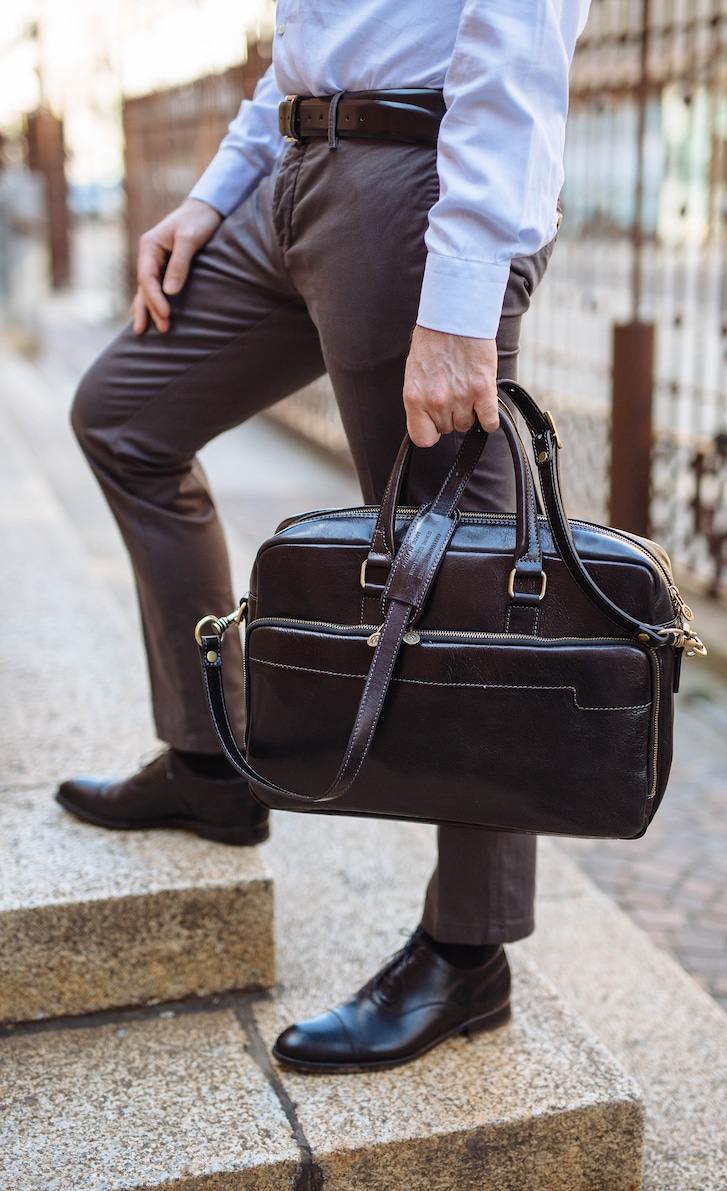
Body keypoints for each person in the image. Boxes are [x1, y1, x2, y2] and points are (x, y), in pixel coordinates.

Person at [56, 0, 591, 1072]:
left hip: (414, 184)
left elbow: (520, 32)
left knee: (457, 576)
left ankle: (467, 948)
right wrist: (213, 196)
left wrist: (462, 295)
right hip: (291, 178)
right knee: (124, 415)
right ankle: (211, 761)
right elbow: (300, 43)